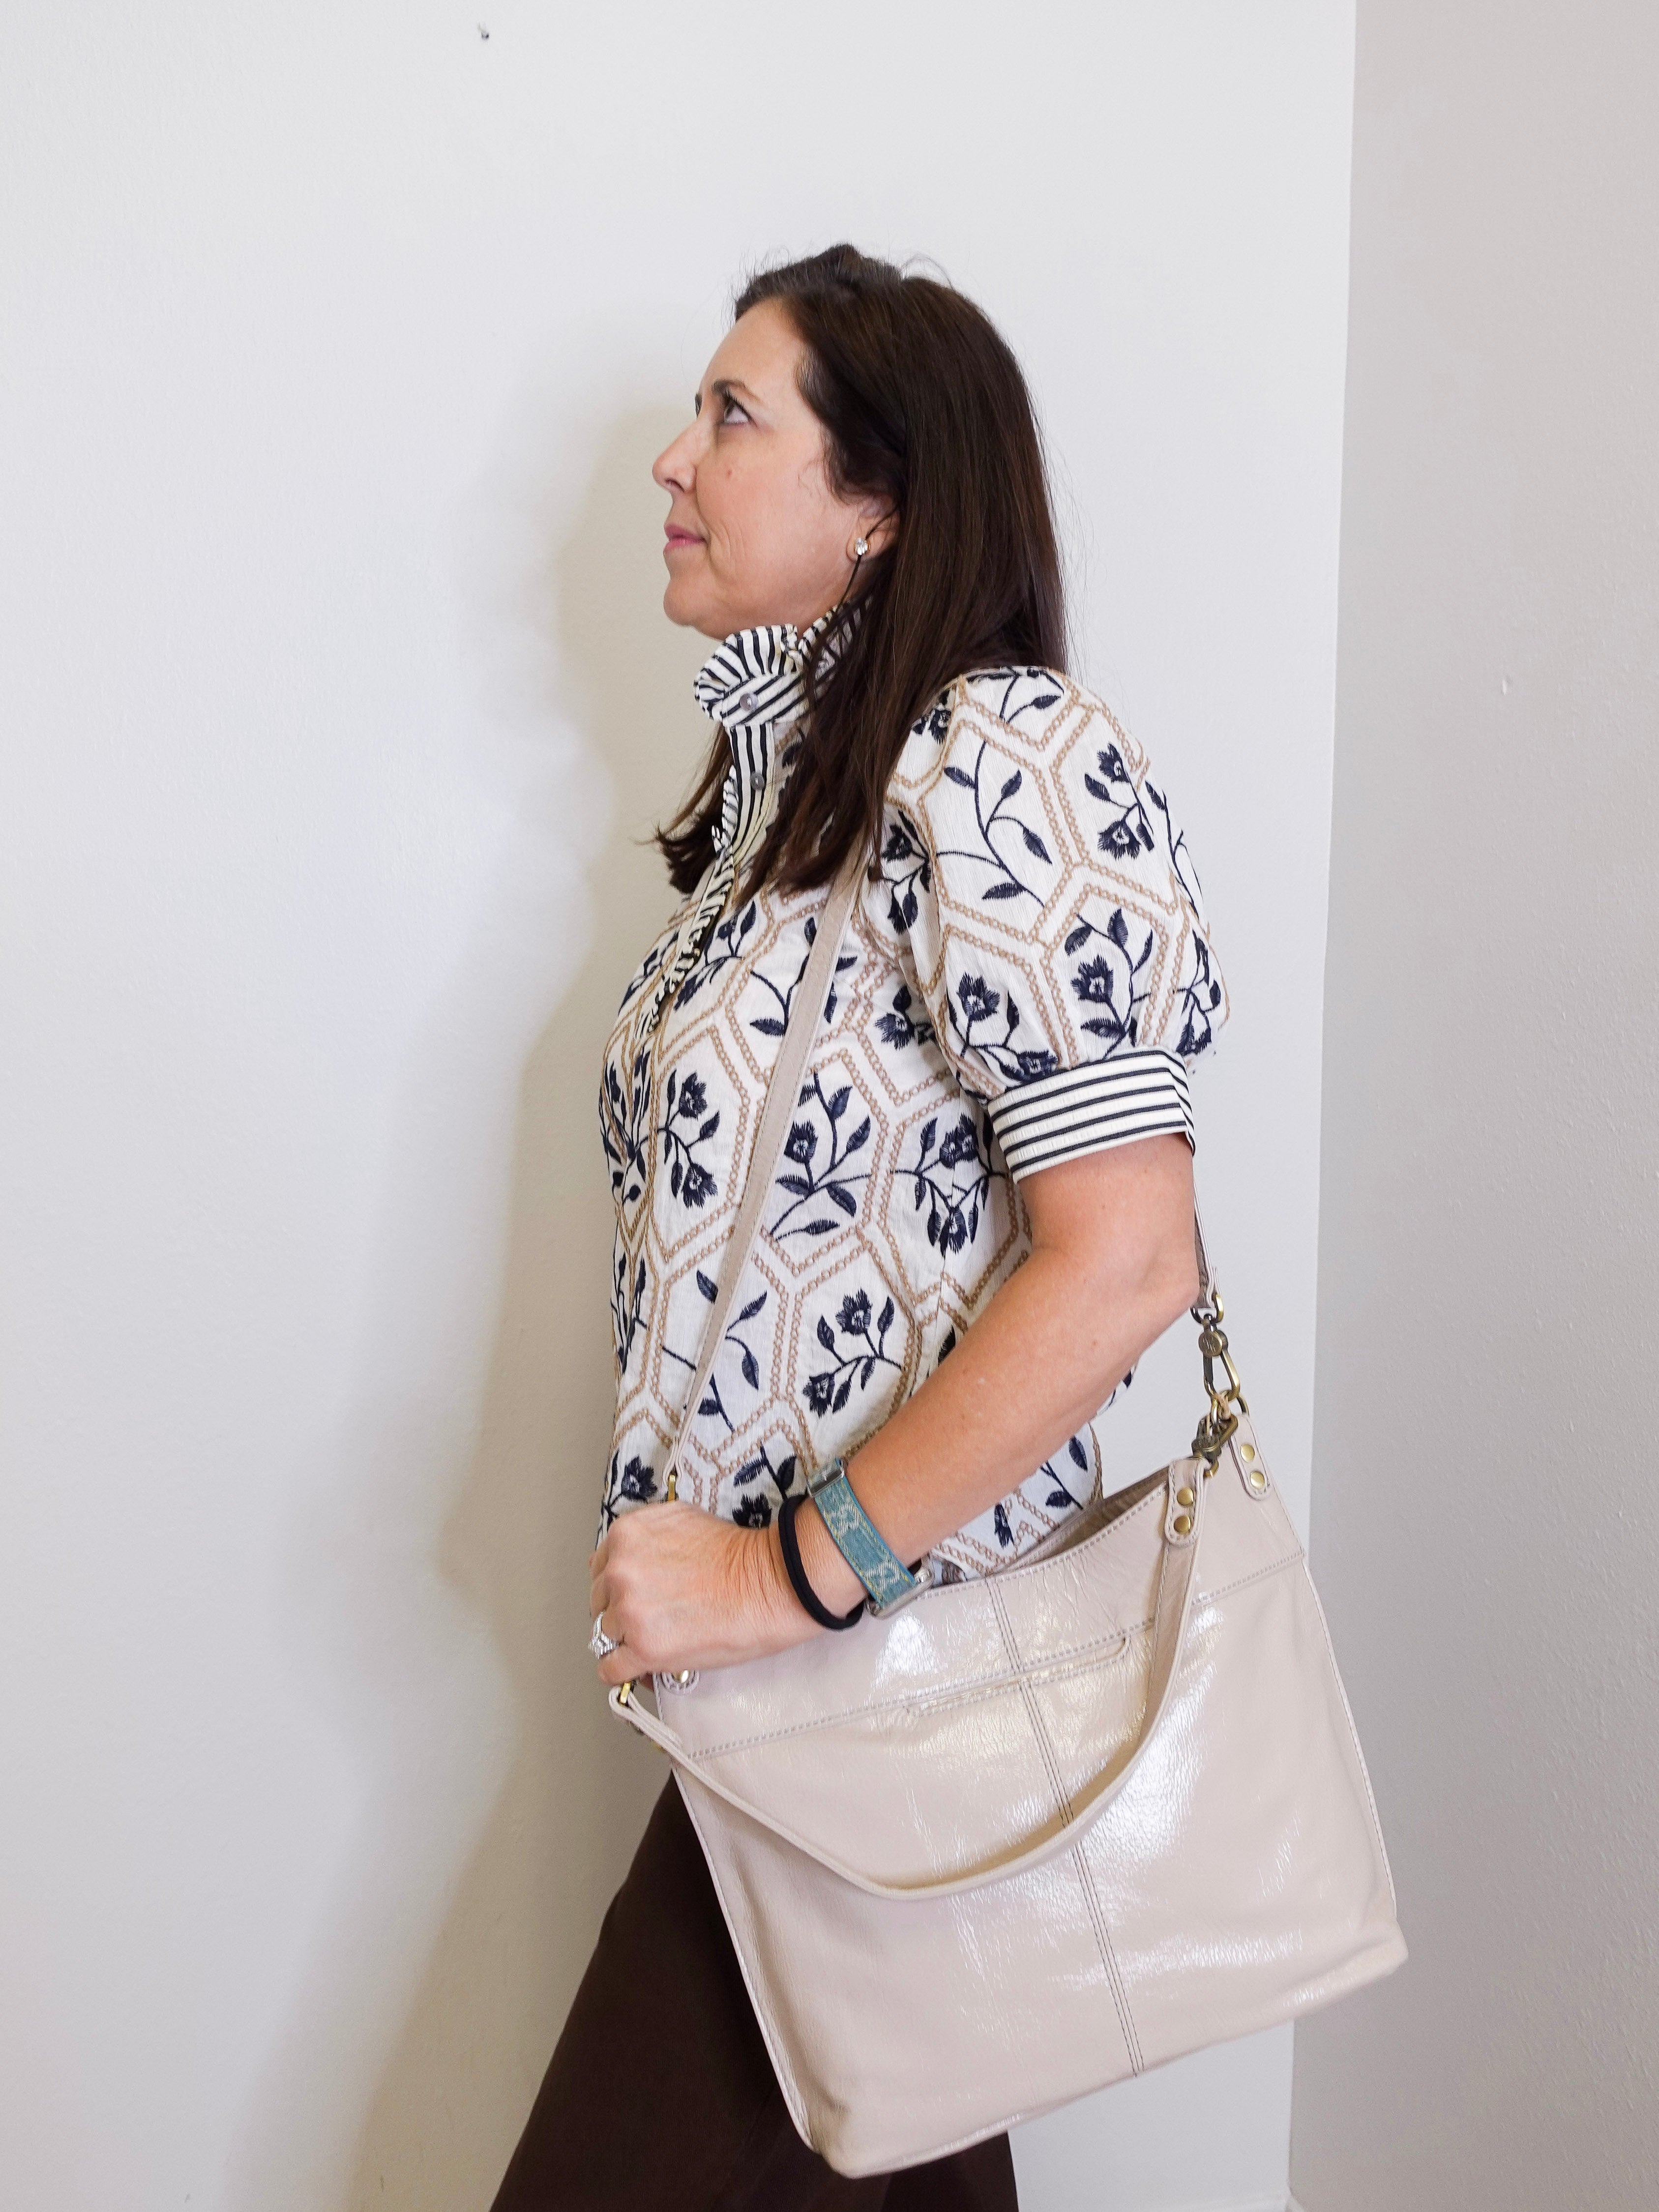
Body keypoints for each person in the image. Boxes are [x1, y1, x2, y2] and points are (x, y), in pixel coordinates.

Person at [491, 244, 1228, 2212]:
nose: (674, 453)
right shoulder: (797, 812)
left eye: (734, 414)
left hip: (873, 1694)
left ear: (882, 500)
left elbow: (1130, 1258)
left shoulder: (1001, 762)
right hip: (792, 1726)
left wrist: (781, 1584)